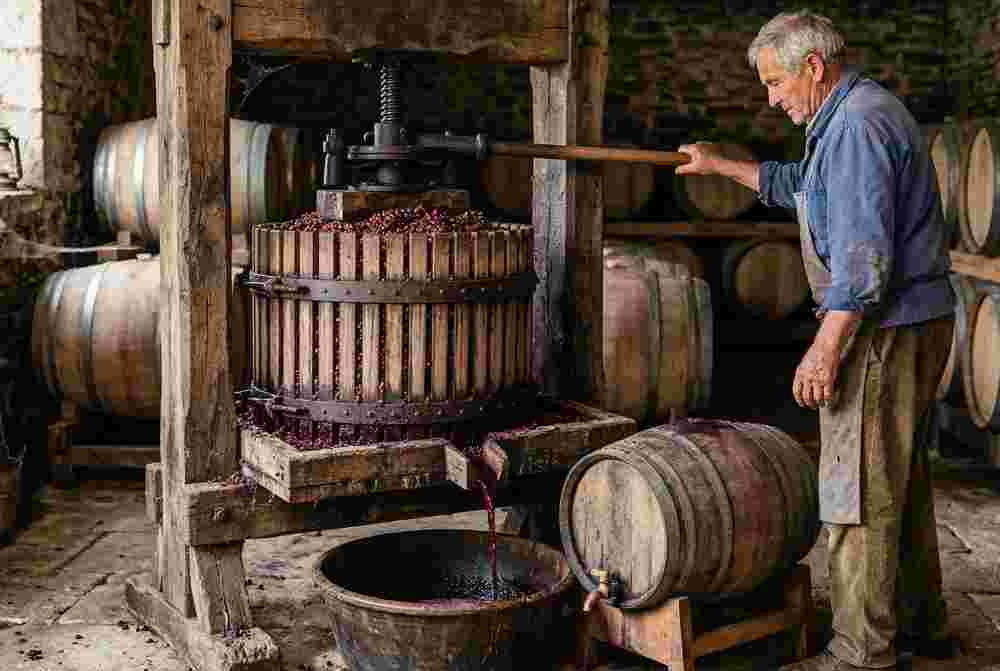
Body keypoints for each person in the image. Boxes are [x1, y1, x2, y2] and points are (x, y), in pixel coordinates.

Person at [676, 10, 958, 671]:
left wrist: (825, 347)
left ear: (813, 67)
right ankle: (920, 624)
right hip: (917, 321)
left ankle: (862, 649)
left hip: (884, 329)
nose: (771, 99)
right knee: (899, 479)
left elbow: (863, 264)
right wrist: (721, 165)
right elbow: (801, 189)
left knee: (856, 484)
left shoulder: (857, 125)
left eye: (775, 83)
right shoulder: (852, 114)